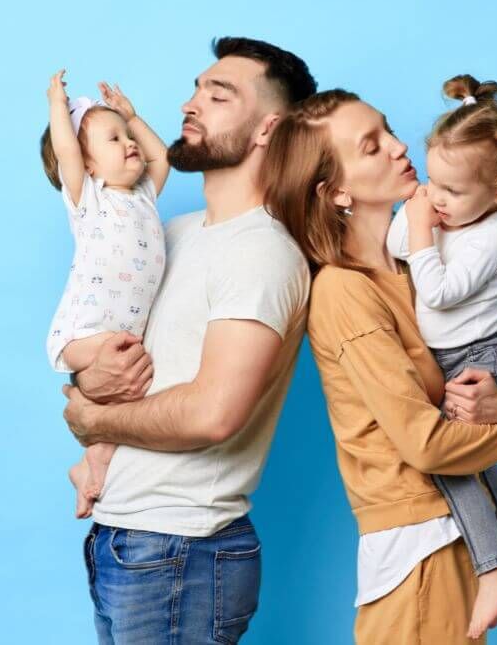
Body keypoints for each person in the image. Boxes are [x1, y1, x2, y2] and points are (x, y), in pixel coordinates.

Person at [263, 89, 497, 644]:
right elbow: (425, 444)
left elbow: (468, 369)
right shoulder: (345, 291)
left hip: (458, 537)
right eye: (372, 146)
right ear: (336, 191)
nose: (399, 147)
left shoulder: (416, 265)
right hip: (417, 547)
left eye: (389, 130)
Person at [60, 37, 317, 644]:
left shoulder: (261, 253)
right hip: (127, 539)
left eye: (219, 95)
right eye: (197, 88)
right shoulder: (169, 233)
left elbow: (212, 414)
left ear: (268, 128)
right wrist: (85, 380)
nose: (190, 104)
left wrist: (93, 418)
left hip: (182, 550)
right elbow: (110, 344)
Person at [385, 74, 497, 638]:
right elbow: (396, 245)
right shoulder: (447, 214)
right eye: (432, 181)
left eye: (452, 191)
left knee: (450, 461)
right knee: (475, 466)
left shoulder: (491, 237)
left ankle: (496, 568)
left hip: (486, 358)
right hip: (457, 356)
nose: (436, 198)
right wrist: (418, 217)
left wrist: (420, 228)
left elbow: (438, 291)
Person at [41, 72, 169, 519]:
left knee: (120, 413)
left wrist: (133, 118)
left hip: (123, 339)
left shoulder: (144, 195)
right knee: (120, 379)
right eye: (114, 139)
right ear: (89, 165)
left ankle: (88, 469)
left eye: (128, 137)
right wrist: (58, 106)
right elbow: (66, 150)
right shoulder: (89, 200)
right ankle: (91, 460)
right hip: (86, 332)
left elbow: (162, 157)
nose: (130, 143)